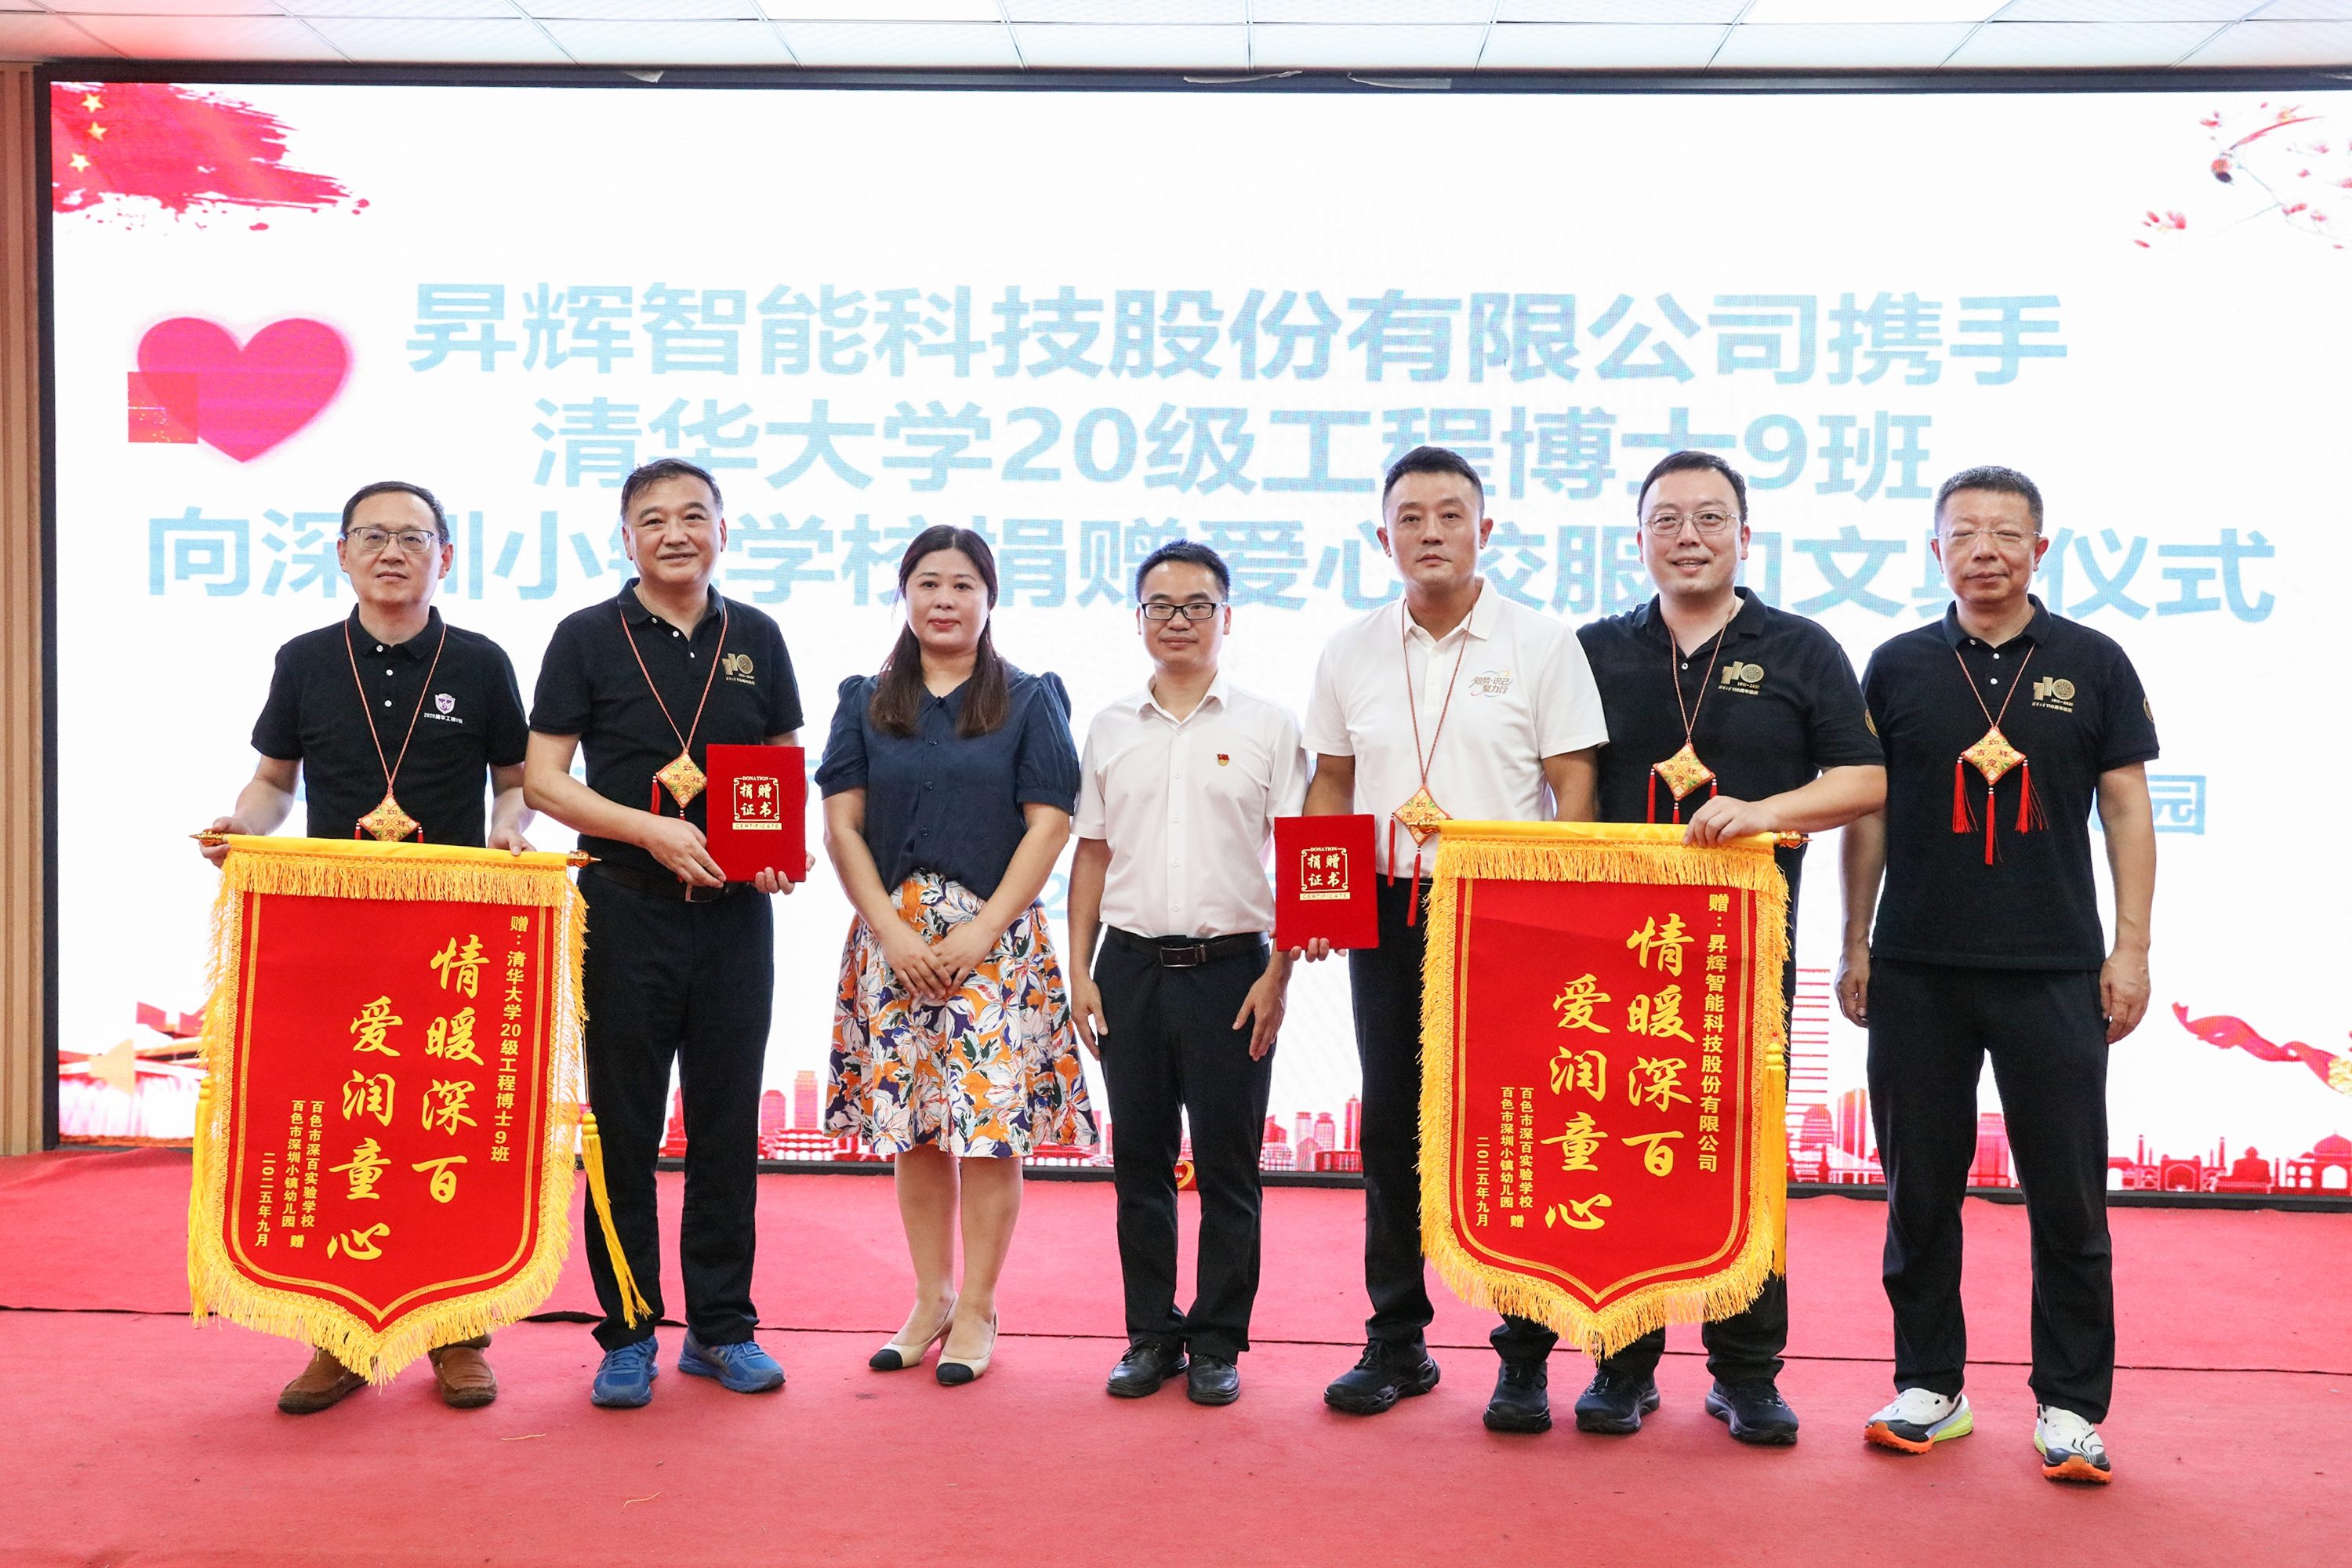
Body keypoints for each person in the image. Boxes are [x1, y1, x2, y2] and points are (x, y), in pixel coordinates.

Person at [1838, 464, 2157, 1486]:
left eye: (2006, 533)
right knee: (1918, 1191)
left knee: (2067, 1196)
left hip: (2054, 968)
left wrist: (2132, 948)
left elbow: (2127, 809)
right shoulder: (1896, 666)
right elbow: (1870, 811)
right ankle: (1930, 1384)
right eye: (1965, 532)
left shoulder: (2092, 662)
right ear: (1935, 549)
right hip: (1916, 967)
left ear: (2040, 549)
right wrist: (1855, 939)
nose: (1985, 550)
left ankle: (2072, 1405)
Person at [1570, 450, 1886, 1445]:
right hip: (1613, 953)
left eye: (1711, 517)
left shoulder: (1800, 647)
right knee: (1619, 1144)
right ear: (1638, 540)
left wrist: (1765, 812)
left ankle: (1747, 1370)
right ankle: (1622, 1362)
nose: (1689, 536)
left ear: (1745, 535)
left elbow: (1865, 777)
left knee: (1742, 1147)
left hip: (1742, 951)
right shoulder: (1593, 649)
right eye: (1666, 519)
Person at [204, 478, 532, 1415]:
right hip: (334, 930)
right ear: (342, 552)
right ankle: (340, 1334)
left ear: (445, 557)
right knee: (343, 1124)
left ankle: (458, 1331)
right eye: (374, 536)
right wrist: (245, 824)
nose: (393, 552)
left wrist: (510, 826)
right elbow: (275, 781)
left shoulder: (480, 661)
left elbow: (516, 781)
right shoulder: (306, 658)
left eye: (413, 537)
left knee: (446, 1126)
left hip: (453, 933)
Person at [1300, 445, 1610, 1434]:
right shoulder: (1350, 648)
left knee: (1513, 1127)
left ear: (1486, 529)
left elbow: (1575, 785)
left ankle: (1524, 1353)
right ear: (1381, 534)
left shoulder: (1542, 642)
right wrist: (1318, 908)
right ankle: (1397, 1338)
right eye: (1410, 517)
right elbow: (1332, 785)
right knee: (1392, 1125)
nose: (1430, 532)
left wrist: (1556, 913)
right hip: (1389, 908)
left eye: (1449, 514)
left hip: (1507, 912)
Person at [524, 458, 808, 1409]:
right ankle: (630, 1331)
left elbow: (780, 763)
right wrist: (650, 829)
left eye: (694, 515)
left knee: (726, 1127)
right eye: (654, 519)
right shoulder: (585, 635)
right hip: (624, 906)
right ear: (626, 537)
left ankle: (722, 1327)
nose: (675, 533)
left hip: (735, 916)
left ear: (724, 531)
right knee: (624, 1129)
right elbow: (544, 780)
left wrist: (777, 849)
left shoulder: (756, 635)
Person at [818, 524, 1095, 1387]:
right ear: (905, 594)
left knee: (988, 1134)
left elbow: (1050, 823)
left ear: (990, 597)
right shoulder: (867, 699)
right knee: (915, 1129)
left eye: (963, 584)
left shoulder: (1030, 698)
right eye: (929, 583)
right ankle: (930, 1297)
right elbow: (842, 826)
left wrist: (981, 930)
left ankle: (977, 1304)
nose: (945, 599)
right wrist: (891, 931)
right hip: (893, 939)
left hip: (994, 944)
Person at [1066, 540, 1305, 1407]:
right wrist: (1079, 969)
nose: (1178, 620)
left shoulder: (1268, 726)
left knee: (1229, 1167)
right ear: (1139, 619)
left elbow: (1303, 858)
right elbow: (1092, 855)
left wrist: (1280, 974)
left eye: (1197, 605)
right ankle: (1149, 1335)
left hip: (1233, 970)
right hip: (1127, 966)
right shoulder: (1109, 726)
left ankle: (1216, 1340)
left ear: (1226, 617)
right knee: (1140, 1161)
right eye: (1161, 606)